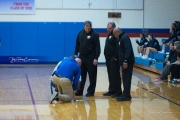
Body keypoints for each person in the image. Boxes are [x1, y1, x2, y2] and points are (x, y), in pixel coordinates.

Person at [74, 20, 101, 96]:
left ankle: (90, 91)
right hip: (82, 58)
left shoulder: (95, 34)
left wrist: (96, 58)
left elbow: (97, 47)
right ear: (84, 27)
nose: (87, 30)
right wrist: (75, 54)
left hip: (91, 58)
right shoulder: (80, 33)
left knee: (92, 76)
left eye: (89, 28)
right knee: (82, 75)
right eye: (86, 28)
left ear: (91, 27)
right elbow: (77, 44)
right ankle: (80, 91)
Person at [113, 27, 135, 101]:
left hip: (127, 62)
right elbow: (120, 49)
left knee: (127, 78)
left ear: (118, 32)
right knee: (125, 78)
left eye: (115, 34)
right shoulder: (121, 38)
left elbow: (128, 49)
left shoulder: (125, 37)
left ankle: (126, 95)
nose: (115, 36)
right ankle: (126, 94)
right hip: (123, 62)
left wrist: (126, 60)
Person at [103, 22, 122, 98]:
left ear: (114, 27)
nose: (108, 29)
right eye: (107, 28)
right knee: (110, 75)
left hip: (113, 58)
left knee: (115, 75)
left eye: (110, 28)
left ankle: (118, 91)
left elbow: (118, 47)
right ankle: (111, 90)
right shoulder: (109, 35)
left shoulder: (116, 36)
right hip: (108, 58)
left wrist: (115, 56)